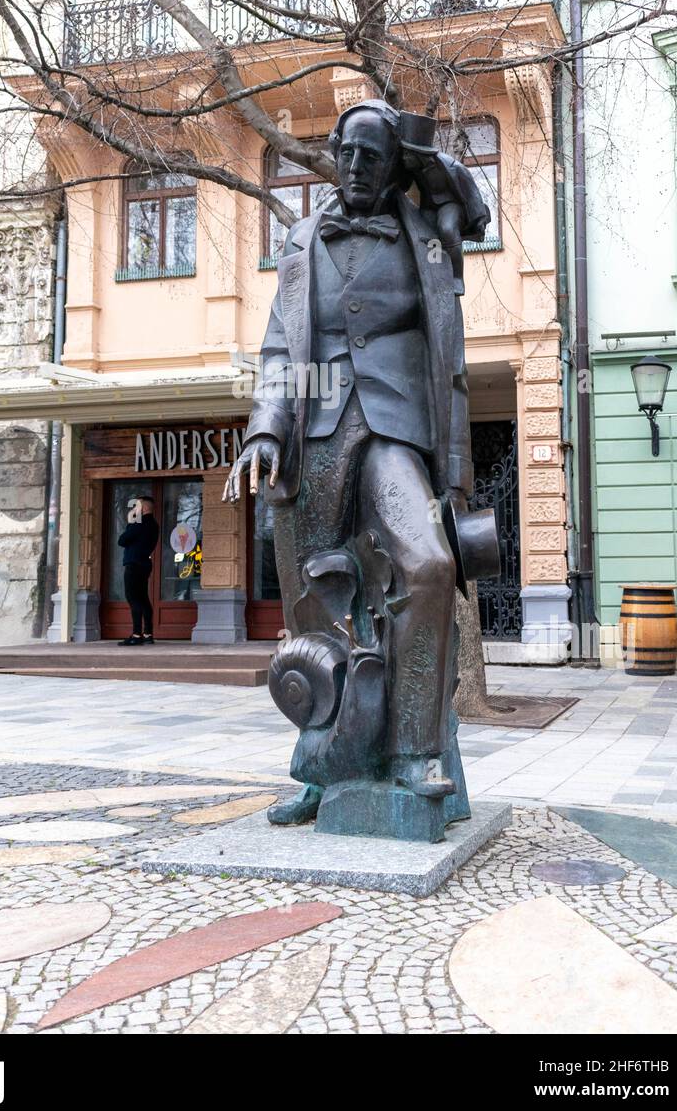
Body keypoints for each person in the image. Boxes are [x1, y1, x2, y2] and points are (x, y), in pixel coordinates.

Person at [223, 99, 493, 828]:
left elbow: (471, 205)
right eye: (346, 156)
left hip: (395, 430)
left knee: (429, 565)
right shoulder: (304, 239)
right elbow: (281, 347)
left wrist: (423, 155)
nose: (355, 171)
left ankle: (416, 750)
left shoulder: (427, 232)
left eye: (373, 158)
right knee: (312, 606)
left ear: (395, 165)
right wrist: (265, 430)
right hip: (314, 436)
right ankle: (322, 768)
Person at [117, 495, 159, 646]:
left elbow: (122, 540)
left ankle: (136, 634)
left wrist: (132, 521)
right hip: (145, 564)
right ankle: (148, 634)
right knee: (143, 599)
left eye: (137, 506)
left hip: (134, 564)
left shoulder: (138, 524)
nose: (134, 509)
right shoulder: (154, 524)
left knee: (133, 598)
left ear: (144, 508)